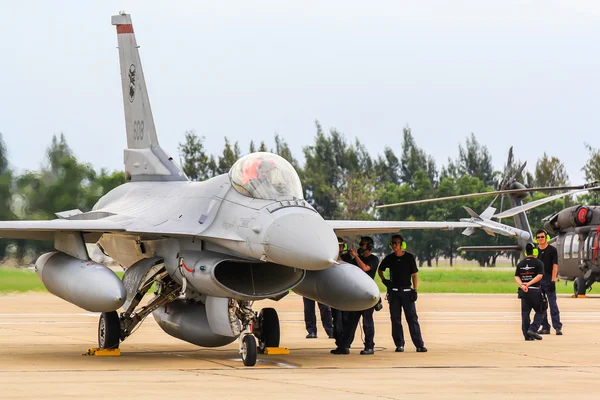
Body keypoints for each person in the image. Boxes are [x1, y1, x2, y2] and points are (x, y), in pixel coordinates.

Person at [377, 235, 427, 353]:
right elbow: (380, 270)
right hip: (394, 293)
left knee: (412, 319)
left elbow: (414, 274)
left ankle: (419, 344)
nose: (394, 245)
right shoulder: (389, 258)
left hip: (407, 293)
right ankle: (399, 344)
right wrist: (384, 280)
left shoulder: (409, 257)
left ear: (402, 244)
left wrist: (415, 290)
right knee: (395, 319)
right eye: (393, 243)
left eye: (396, 243)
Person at [331, 236, 380, 355]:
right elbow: (345, 266)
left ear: (368, 247)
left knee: (367, 323)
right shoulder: (356, 260)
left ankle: (369, 346)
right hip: (356, 295)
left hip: (367, 294)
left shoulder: (373, 259)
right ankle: (344, 346)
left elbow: (364, 268)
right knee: (351, 323)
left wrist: (356, 256)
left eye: (362, 245)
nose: (360, 247)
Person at [530, 229, 563, 335]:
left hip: (549, 279)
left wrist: (553, 280)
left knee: (553, 304)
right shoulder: (536, 251)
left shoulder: (552, 250)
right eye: (538, 237)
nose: (540, 239)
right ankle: (545, 327)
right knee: (541, 305)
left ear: (546, 238)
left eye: (542, 237)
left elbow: (555, 266)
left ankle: (557, 327)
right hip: (539, 280)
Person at [515, 243, 546, 341]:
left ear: (525, 252)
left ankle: (527, 335)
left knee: (525, 313)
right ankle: (533, 329)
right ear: (535, 251)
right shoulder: (539, 263)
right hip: (535, 291)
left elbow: (516, 276)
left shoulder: (521, 264)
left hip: (524, 292)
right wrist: (529, 284)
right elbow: (540, 276)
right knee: (541, 310)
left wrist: (522, 285)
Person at [331, 237, 353, 343]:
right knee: (336, 318)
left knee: (345, 317)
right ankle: (338, 340)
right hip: (335, 292)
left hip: (346, 293)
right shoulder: (330, 257)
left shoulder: (347, 257)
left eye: (341, 245)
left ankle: (345, 341)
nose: (340, 248)